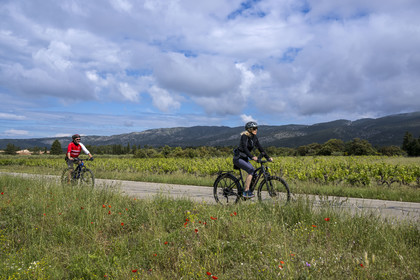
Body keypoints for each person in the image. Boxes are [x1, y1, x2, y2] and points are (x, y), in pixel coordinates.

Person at [233, 121, 273, 198]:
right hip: (238, 158)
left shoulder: (254, 138)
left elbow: (260, 148)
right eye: (254, 128)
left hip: (244, 159)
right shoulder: (244, 136)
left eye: (256, 128)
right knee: (251, 170)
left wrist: (267, 157)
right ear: (249, 129)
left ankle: (249, 190)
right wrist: (252, 157)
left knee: (255, 174)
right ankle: (246, 191)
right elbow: (244, 148)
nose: (256, 130)